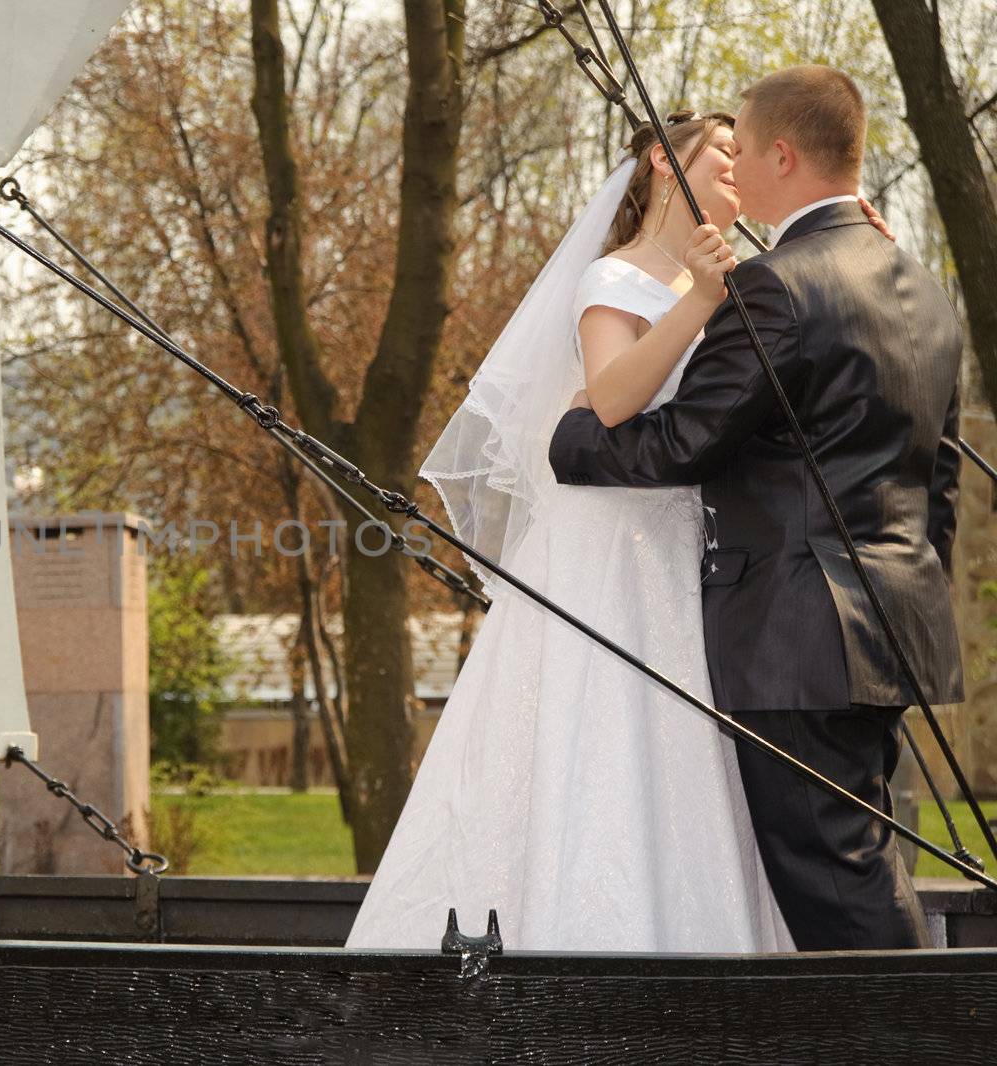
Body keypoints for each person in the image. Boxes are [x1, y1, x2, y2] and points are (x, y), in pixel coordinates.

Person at [345, 109, 801, 952]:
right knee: (592, 734)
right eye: (724, 154)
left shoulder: (737, 280)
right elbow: (614, 395)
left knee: (682, 754)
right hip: (603, 554)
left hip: (683, 551)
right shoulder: (613, 280)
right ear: (667, 168)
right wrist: (699, 298)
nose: (740, 167)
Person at [547, 65, 962, 951]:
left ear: (783, 152)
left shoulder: (777, 284)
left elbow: (687, 441)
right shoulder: (926, 290)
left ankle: (920, 1040)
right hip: (895, 622)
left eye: (749, 154)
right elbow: (941, 483)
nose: (740, 176)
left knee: (838, 887)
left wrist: (573, 443)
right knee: (868, 860)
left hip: (796, 635)